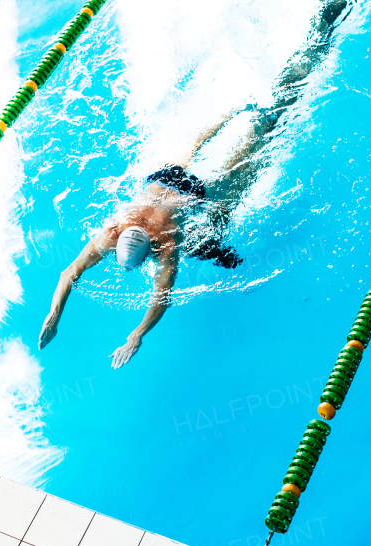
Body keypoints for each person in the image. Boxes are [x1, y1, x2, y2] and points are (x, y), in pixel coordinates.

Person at [38, 111, 256, 368]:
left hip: (191, 195)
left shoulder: (164, 246)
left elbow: (161, 299)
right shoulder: (116, 229)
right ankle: (228, 113)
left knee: (238, 168)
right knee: (196, 144)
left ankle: (255, 133)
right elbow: (68, 273)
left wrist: (137, 335)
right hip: (163, 176)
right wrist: (53, 315)